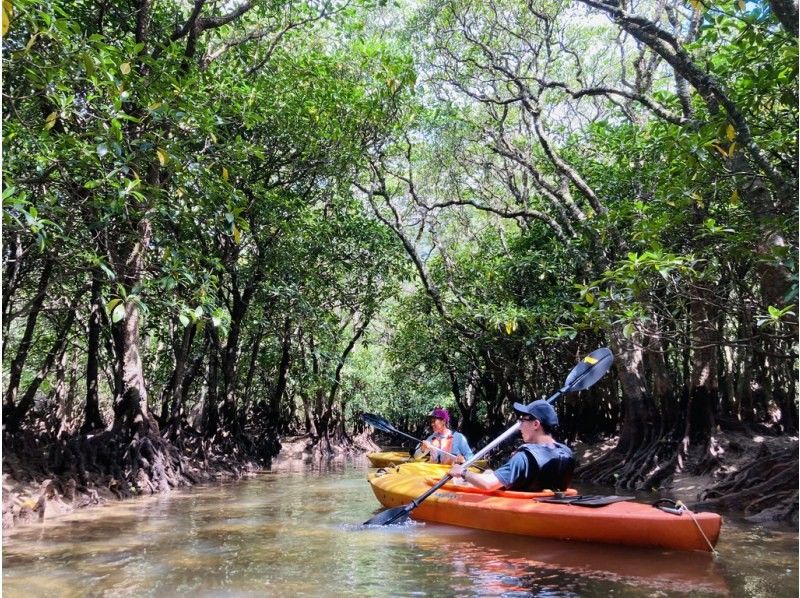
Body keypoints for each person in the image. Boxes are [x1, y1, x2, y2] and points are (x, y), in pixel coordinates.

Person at [448, 399, 574, 491]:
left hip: (525, 511)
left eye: (522, 420)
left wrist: (463, 472)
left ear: (536, 424)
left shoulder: (525, 457)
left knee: (471, 479)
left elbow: (488, 485)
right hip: (551, 504)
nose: (519, 427)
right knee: (488, 472)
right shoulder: (566, 453)